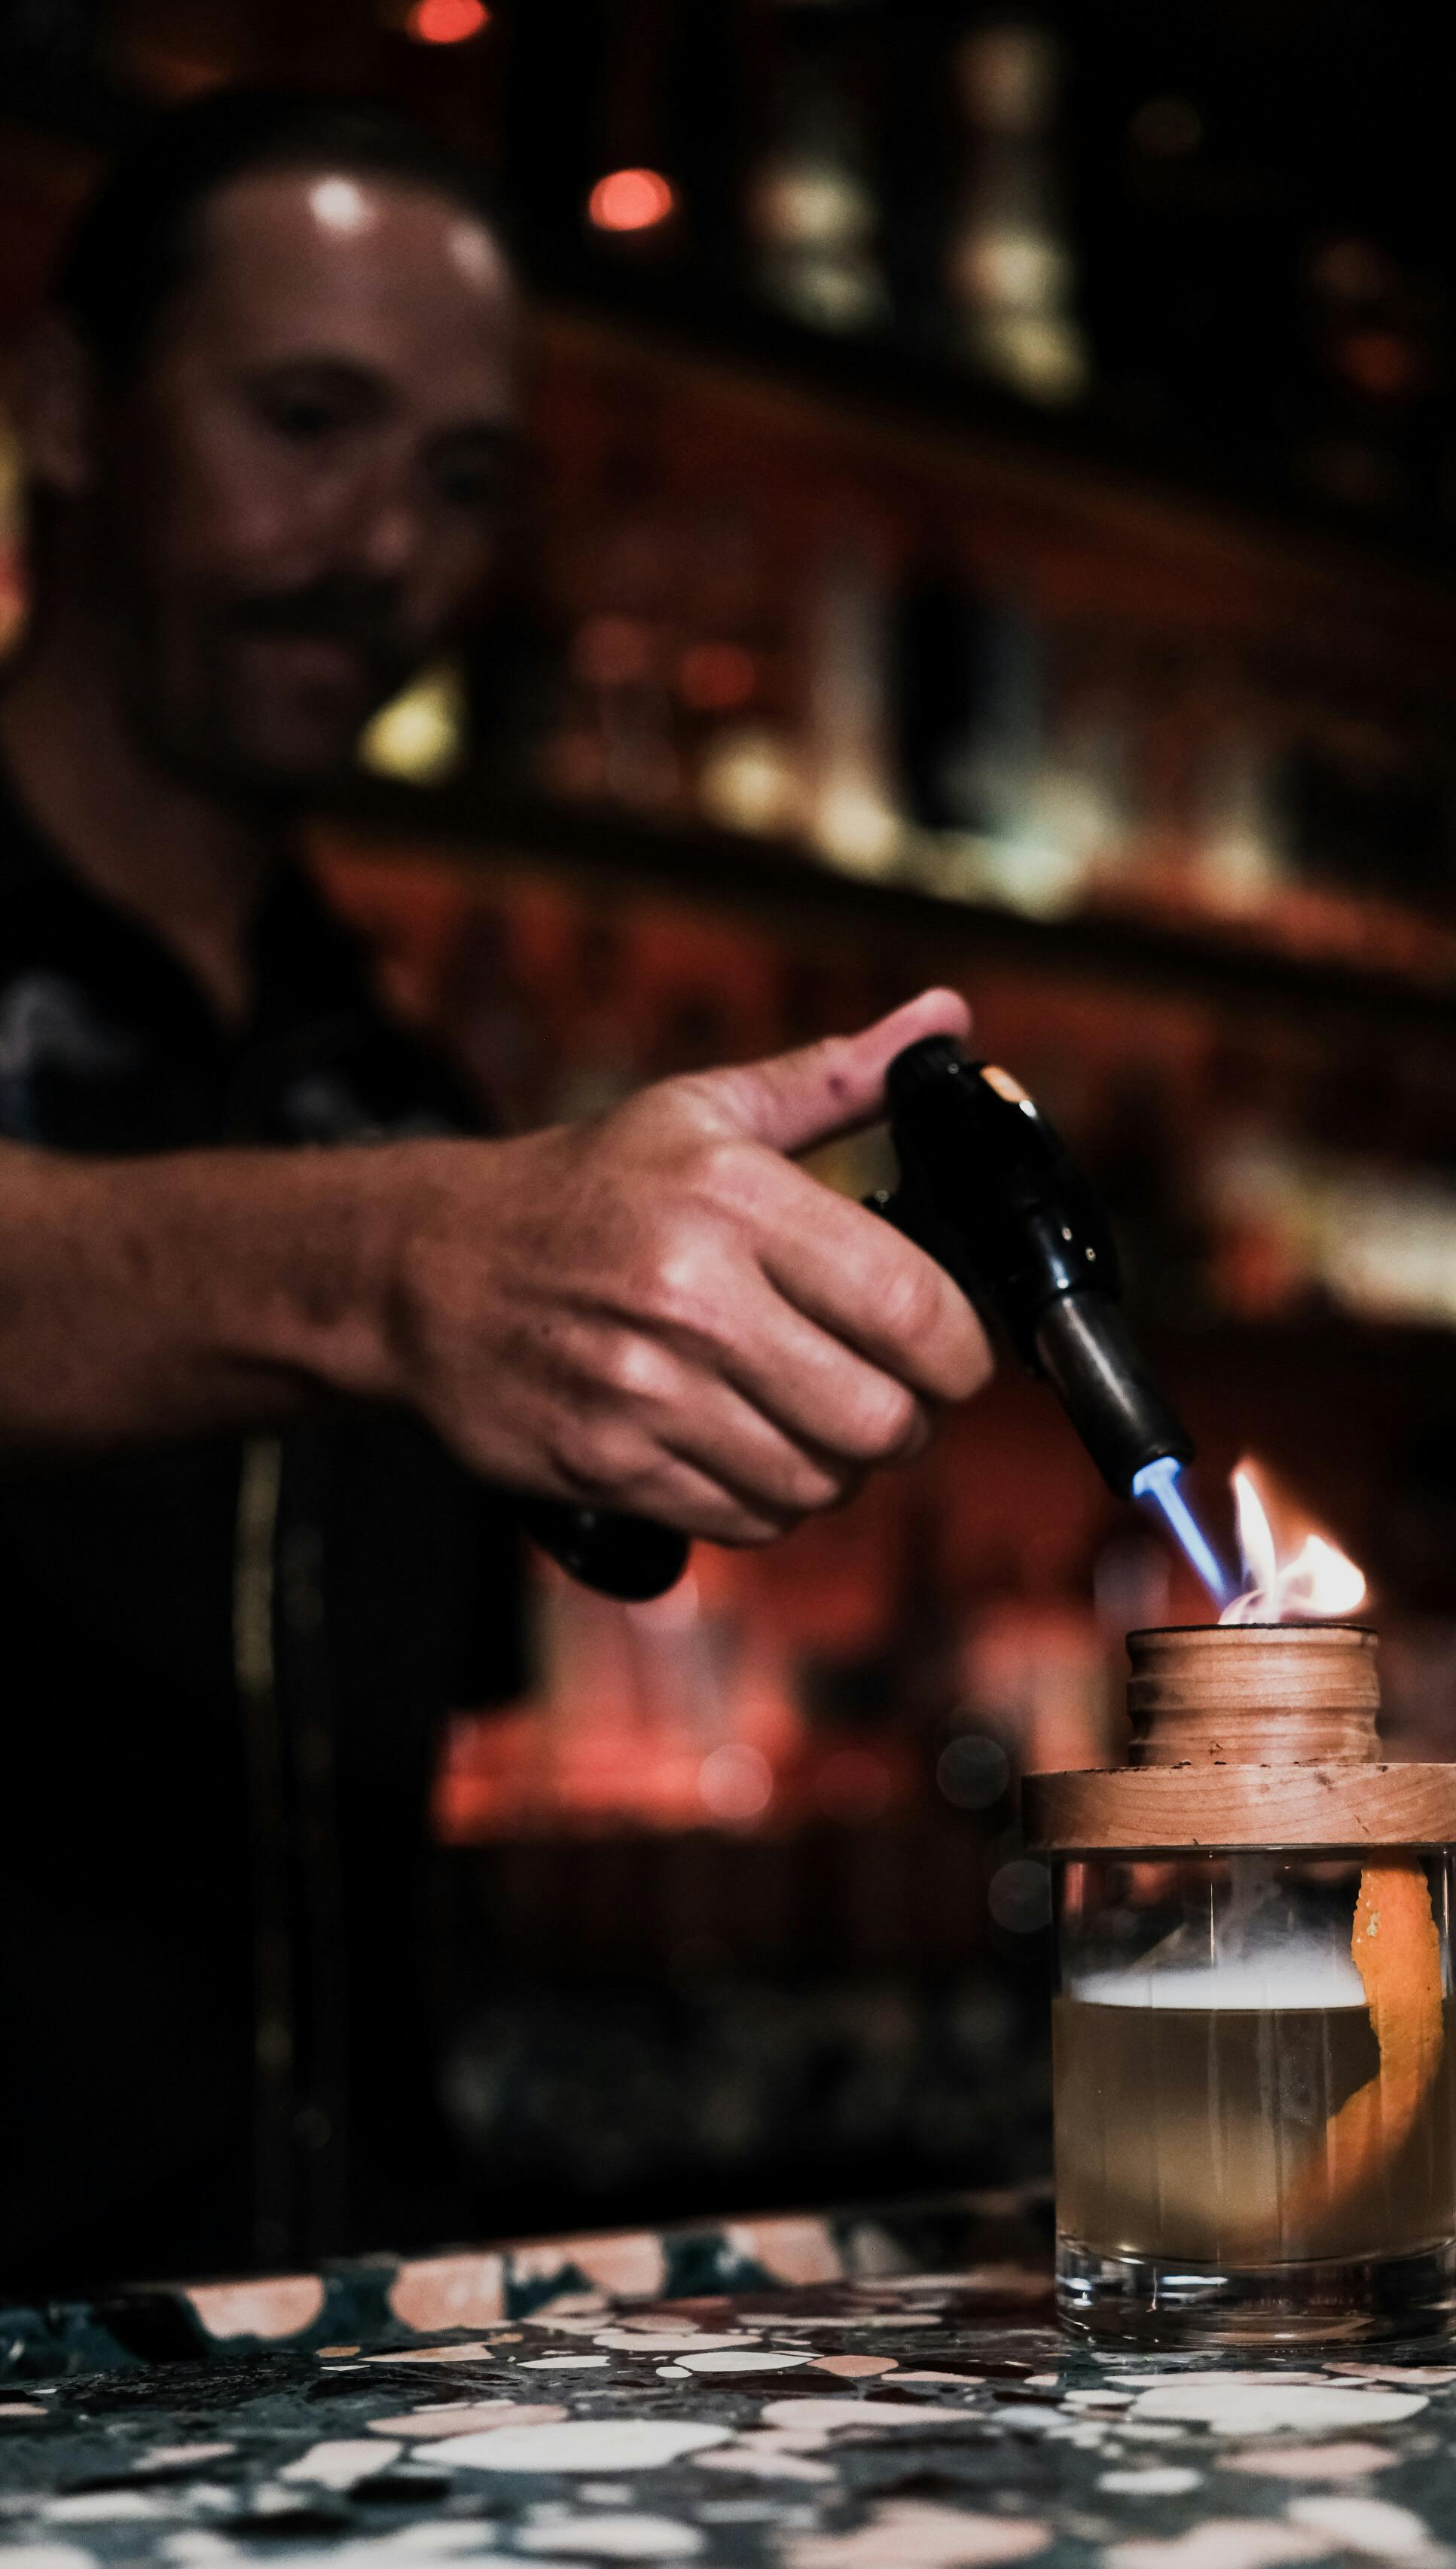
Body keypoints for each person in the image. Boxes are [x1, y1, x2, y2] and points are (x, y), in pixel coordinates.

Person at [0, 91, 991, 2299]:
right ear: (71, 408)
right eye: (304, 420)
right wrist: (400, 1263)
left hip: (349, 2366)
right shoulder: (427, 1171)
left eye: (456, 481)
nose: (380, 547)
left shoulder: (393, 1068)